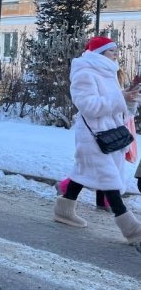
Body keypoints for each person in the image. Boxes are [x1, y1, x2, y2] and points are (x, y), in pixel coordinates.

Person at [53, 37, 141, 250]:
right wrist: (120, 98)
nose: (116, 54)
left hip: (111, 134)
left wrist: (129, 101)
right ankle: (133, 230)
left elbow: (118, 107)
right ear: (100, 53)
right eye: (112, 50)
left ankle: (64, 211)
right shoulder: (85, 73)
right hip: (93, 136)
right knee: (109, 178)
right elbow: (89, 106)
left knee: (82, 172)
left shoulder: (109, 72)